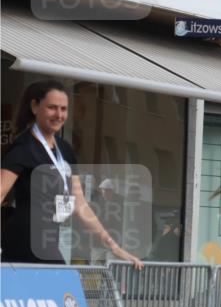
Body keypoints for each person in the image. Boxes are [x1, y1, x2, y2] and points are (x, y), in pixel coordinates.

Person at [0, 79, 142, 268]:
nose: (59, 115)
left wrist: (114, 248)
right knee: (64, 290)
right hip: (25, 240)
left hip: (49, 240)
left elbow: (80, 205)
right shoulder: (23, 149)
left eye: (63, 109)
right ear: (35, 107)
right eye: (52, 107)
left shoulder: (65, 150)